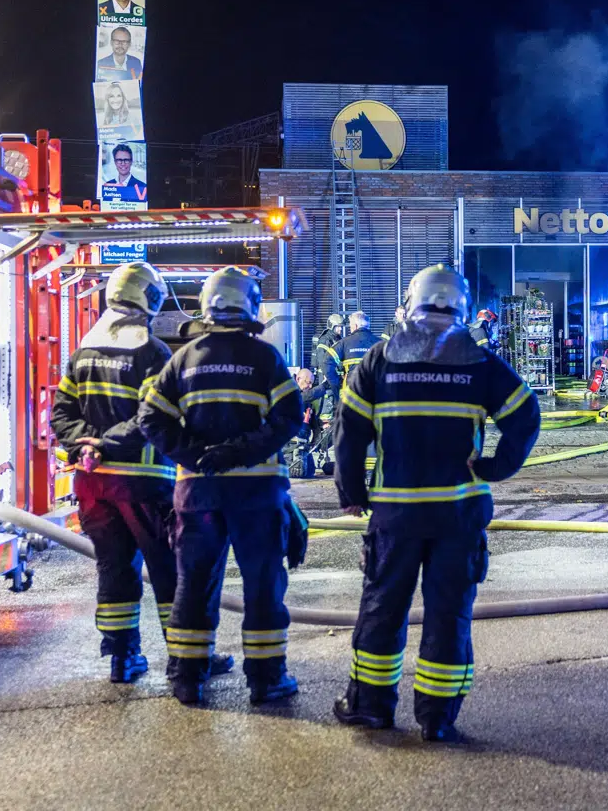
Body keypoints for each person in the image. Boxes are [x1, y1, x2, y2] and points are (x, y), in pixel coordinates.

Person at [332, 264, 542, 742]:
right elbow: (526, 415)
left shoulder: (379, 360)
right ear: (462, 309)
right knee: (449, 615)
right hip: (458, 515)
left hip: (395, 516)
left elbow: (349, 433)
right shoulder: (481, 364)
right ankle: (437, 718)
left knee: (383, 610)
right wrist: (494, 468)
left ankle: (369, 708)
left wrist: (352, 493)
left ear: (410, 303)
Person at [49, 262, 232, 684]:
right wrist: (106, 444)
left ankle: (123, 658)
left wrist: (84, 445)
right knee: (170, 571)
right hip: (145, 486)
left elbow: (61, 413)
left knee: (114, 570)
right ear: (149, 298)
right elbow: (152, 418)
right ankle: (185, 659)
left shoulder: (83, 352)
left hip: (94, 486)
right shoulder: (151, 352)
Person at [140, 266, 305, 706]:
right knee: (264, 586)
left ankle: (187, 678)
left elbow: (150, 418)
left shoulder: (183, 358)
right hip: (258, 497)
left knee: (193, 585)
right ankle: (267, 680)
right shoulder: (265, 358)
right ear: (250, 306)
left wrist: (193, 454)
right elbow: (289, 417)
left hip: (199, 495)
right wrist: (241, 452)